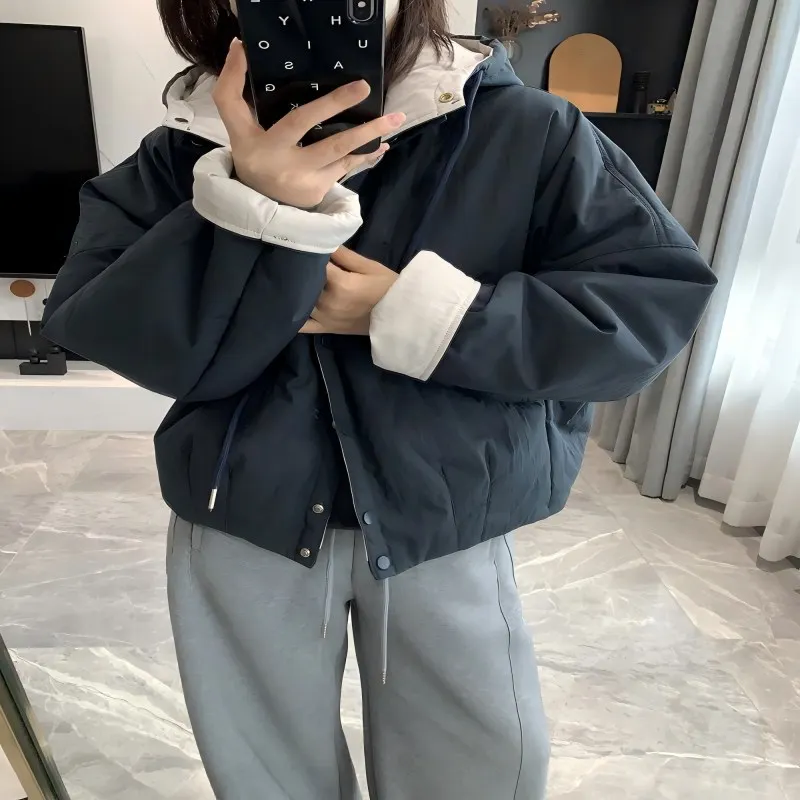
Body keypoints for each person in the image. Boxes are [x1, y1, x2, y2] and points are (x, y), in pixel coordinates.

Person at [42, 0, 717, 797]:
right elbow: (107, 326)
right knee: (264, 775)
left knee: (476, 764)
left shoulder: (526, 131)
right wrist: (251, 205)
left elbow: (645, 309)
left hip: (449, 513)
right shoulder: (180, 154)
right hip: (241, 510)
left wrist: (414, 310)